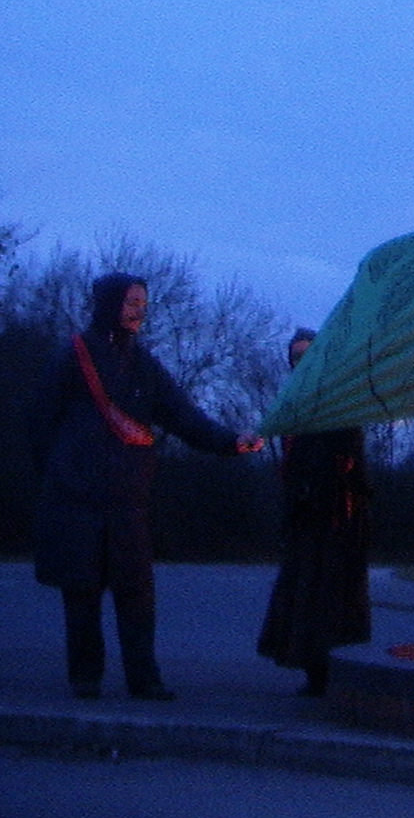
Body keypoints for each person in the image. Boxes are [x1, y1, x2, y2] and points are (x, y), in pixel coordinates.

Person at [30, 272, 265, 700]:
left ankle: (144, 678)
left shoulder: (143, 363)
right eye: (131, 302)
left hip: (126, 500)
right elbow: (40, 423)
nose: (139, 311)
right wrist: (60, 476)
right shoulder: (73, 356)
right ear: (110, 304)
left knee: (136, 593)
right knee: (81, 592)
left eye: (142, 302)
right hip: (76, 498)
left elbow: (183, 415)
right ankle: (85, 677)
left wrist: (231, 442)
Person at [256, 329, 372, 696]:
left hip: (333, 515)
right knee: (305, 594)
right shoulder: (296, 400)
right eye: (295, 357)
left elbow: (347, 457)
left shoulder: (336, 398)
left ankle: (325, 667)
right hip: (305, 513)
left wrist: (325, 489)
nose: (300, 363)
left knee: (325, 594)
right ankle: (314, 667)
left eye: (306, 355)